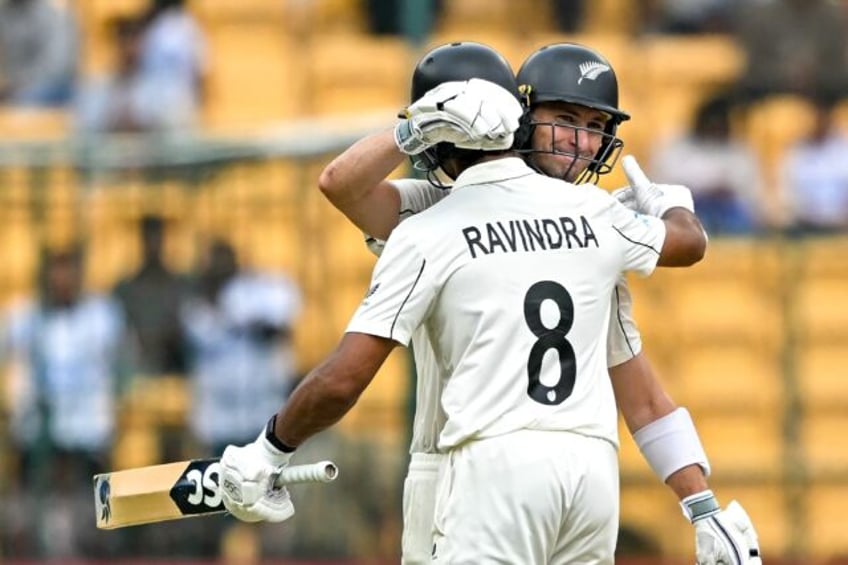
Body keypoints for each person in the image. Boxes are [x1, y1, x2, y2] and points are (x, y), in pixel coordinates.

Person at [216, 42, 739, 563]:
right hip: (591, 473)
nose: (579, 142)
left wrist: (267, 450)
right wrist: (703, 505)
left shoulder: (431, 225)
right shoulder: (595, 219)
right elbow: (673, 287)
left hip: (479, 464)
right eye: (564, 118)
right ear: (522, 118)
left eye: (594, 125)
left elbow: (345, 376)